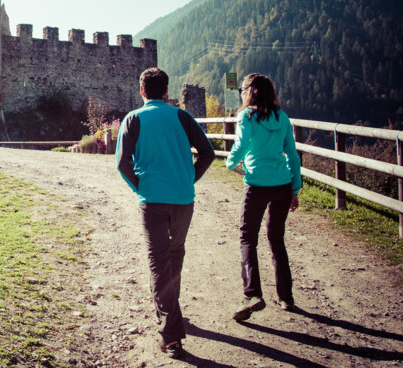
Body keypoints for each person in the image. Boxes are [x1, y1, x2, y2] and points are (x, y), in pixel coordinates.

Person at [116, 67, 214, 359]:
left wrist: (141, 187)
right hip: (184, 199)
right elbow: (207, 153)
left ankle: (170, 336)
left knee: (159, 263)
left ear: (142, 91)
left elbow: (122, 163)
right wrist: (189, 179)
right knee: (175, 254)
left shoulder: (133, 118)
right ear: (167, 91)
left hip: (153, 200)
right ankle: (172, 314)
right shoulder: (182, 117)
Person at [225, 73, 302, 321]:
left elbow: (242, 144)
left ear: (248, 92)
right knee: (276, 238)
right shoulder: (282, 117)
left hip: (257, 184)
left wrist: (230, 163)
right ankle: (286, 297)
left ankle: (253, 294)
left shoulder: (247, 116)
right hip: (282, 183)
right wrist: (295, 189)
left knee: (248, 238)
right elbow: (292, 154)